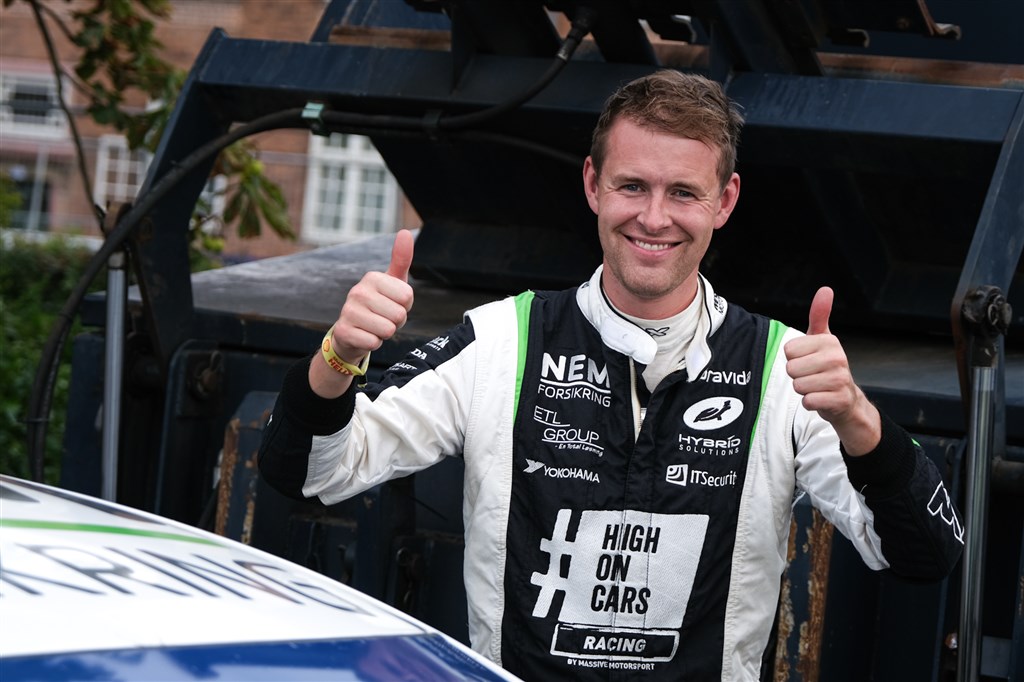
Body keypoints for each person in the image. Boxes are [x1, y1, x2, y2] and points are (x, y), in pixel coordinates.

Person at [258, 70, 963, 681]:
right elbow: (313, 471)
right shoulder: (501, 340)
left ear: (724, 201)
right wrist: (338, 356)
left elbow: (927, 553)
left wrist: (859, 421)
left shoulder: (785, 369)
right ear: (594, 185)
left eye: (683, 193)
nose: (654, 218)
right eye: (632, 186)